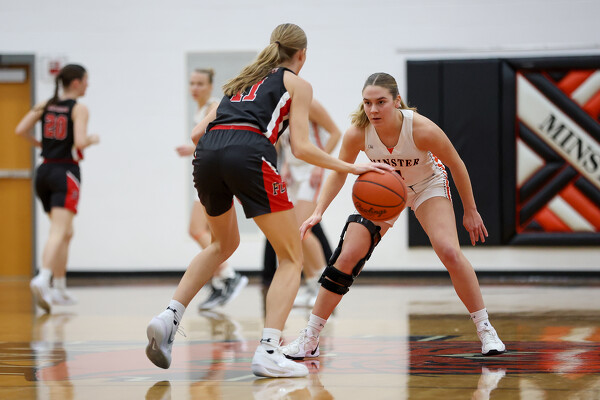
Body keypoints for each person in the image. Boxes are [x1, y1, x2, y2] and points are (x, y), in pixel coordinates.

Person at [145, 24, 392, 378]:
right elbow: (302, 148)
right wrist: (352, 167)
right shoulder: (297, 84)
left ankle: (169, 316)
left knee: (220, 245)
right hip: (249, 152)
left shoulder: (241, 81)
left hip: (207, 155)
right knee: (291, 256)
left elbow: (197, 133)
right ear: (301, 55)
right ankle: (269, 350)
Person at [282, 72, 506, 360]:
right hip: (384, 193)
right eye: (367, 103)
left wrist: (470, 210)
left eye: (381, 102)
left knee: (449, 251)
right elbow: (339, 172)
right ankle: (310, 337)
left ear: (397, 101)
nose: (373, 109)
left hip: (426, 186)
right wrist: (318, 212)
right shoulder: (357, 133)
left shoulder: (422, 129)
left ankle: (485, 329)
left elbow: (456, 164)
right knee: (347, 257)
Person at [15, 64, 100, 313]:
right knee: (59, 230)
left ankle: (60, 288)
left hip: (43, 171)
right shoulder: (79, 108)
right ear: (76, 83)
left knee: (66, 232)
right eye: (86, 80)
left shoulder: (45, 104)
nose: (88, 85)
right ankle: (43, 278)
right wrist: (92, 139)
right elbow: (80, 142)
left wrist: (41, 144)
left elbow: (20, 130)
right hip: (65, 172)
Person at [175, 68, 248, 310]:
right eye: (192, 83)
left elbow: (223, 140)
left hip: (215, 175)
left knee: (196, 229)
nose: (194, 88)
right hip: (205, 175)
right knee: (207, 233)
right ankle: (219, 280)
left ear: (209, 86)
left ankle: (228, 275)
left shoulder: (214, 106)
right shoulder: (199, 110)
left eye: (200, 83)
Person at [263, 98, 341, 307]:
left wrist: (320, 165)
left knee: (303, 229)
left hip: (310, 172)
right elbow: (287, 142)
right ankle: (311, 283)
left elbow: (335, 133)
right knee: (293, 232)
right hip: (293, 173)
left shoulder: (309, 104)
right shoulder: (280, 107)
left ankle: (323, 285)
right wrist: (285, 165)